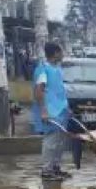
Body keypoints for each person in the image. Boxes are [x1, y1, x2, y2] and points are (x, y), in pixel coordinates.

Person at [32, 42, 71, 181]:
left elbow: (59, 90)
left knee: (60, 141)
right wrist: (43, 111)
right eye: (61, 51)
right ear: (55, 53)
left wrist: (67, 107)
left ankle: (55, 167)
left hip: (61, 110)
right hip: (49, 111)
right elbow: (39, 90)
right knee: (51, 141)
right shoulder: (43, 69)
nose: (63, 54)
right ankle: (47, 170)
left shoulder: (57, 69)